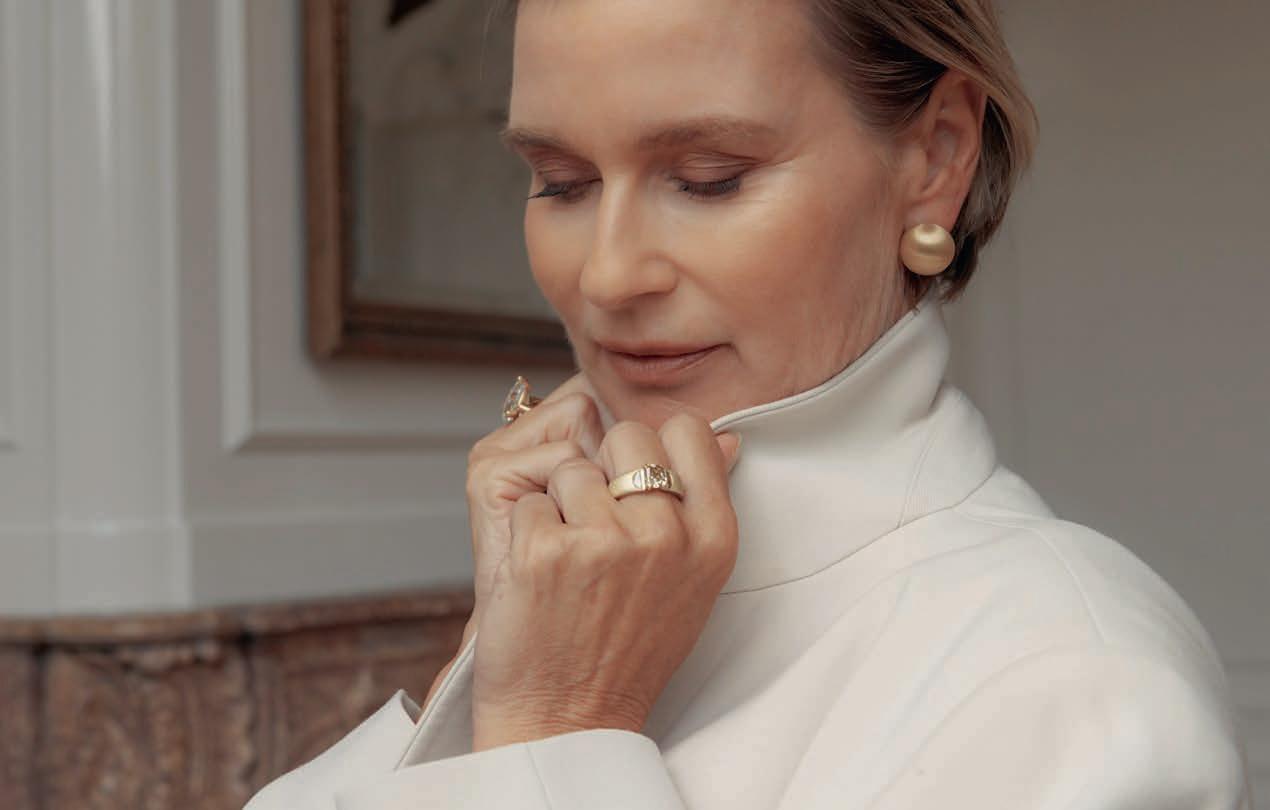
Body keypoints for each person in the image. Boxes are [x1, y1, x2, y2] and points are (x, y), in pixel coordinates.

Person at [246, 0, 1251, 807]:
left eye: (708, 179)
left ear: (937, 156)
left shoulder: (1079, 689)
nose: (607, 276)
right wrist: (487, 681)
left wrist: (552, 732)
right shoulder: (567, 592)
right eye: (561, 183)